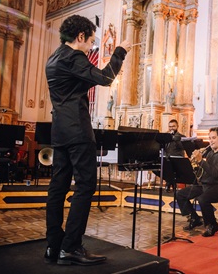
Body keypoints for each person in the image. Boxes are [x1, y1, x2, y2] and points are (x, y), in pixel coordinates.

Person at [44, 14, 131, 266]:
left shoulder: (53, 58)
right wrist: (120, 52)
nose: (91, 46)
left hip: (59, 131)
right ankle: (70, 247)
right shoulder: (74, 57)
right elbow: (105, 78)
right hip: (78, 133)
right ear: (80, 37)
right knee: (85, 186)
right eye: (91, 41)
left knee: (58, 187)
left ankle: (54, 245)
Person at [176, 127, 218, 237]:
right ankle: (194, 218)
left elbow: (215, 173)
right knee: (180, 194)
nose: (211, 141)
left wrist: (201, 161)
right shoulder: (210, 153)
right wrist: (195, 166)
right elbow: (204, 172)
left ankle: (212, 224)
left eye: (214, 138)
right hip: (207, 184)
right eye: (210, 138)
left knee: (202, 199)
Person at [165, 119, 185, 192]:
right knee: (167, 166)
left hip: (177, 157)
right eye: (170, 126)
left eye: (173, 126)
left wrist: (175, 139)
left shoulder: (181, 136)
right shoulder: (166, 136)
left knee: (173, 167)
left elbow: (182, 147)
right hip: (167, 157)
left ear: (177, 126)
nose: (171, 128)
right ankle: (170, 184)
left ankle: (170, 184)